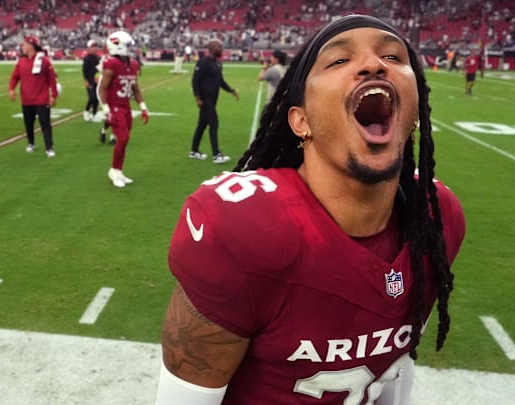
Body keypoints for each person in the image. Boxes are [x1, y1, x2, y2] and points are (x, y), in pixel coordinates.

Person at [156, 14, 466, 405]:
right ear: (301, 121)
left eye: (392, 55)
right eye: (339, 60)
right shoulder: (245, 229)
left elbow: (395, 370)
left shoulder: (435, 216)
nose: (374, 64)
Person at [97, 31, 149, 188]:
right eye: (126, 45)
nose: (129, 48)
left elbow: (136, 88)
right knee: (124, 138)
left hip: (126, 106)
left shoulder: (132, 64)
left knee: (124, 141)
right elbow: (102, 89)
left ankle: (119, 171)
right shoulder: (111, 64)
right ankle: (113, 170)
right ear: (116, 45)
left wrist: (143, 107)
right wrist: (107, 110)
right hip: (115, 107)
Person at [189, 39, 239, 162]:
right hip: (205, 100)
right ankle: (216, 154)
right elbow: (195, 80)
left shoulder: (218, 63)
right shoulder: (204, 61)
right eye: (218, 47)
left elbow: (220, 81)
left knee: (202, 125)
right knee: (214, 124)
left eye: (221, 47)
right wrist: (197, 97)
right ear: (211, 49)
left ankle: (194, 151)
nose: (221, 49)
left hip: (213, 99)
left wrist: (231, 91)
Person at [9, 35, 58, 158]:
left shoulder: (44, 61)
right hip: (26, 99)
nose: (23, 47)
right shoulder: (21, 61)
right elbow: (15, 76)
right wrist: (11, 89)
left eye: (25, 45)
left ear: (31, 46)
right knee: (28, 123)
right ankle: (31, 143)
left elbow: (52, 79)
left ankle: (49, 147)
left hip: (41, 98)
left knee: (45, 124)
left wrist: (54, 95)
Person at [82, 40, 101, 122]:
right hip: (89, 80)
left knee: (96, 98)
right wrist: (86, 80)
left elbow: (98, 69)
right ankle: (86, 111)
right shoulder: (87, 58)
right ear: (89, 48)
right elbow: (84, 70)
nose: (95, 48)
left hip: (96, 80)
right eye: (93, 47)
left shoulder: (97, 58)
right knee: (92, 97)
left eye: (95, 47)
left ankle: (94, 114)